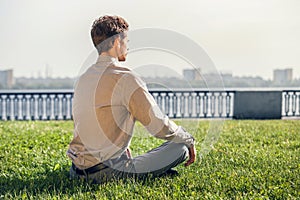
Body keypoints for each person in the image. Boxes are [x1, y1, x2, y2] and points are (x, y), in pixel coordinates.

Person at [67, 15, 196, 184]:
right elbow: (158, 125)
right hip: (108, 174)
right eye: (126, 40)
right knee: (180, 148)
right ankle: (150, 173)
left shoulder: (84, 78)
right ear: (116, 42)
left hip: (77, 171)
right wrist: (187, 139)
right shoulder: (125, 78)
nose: (128, 46)